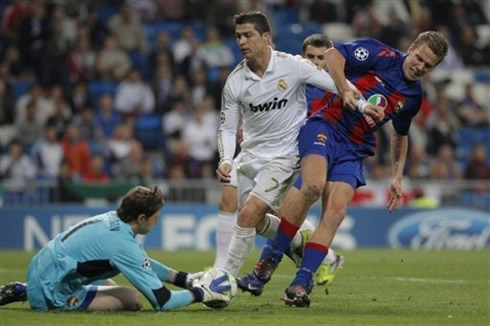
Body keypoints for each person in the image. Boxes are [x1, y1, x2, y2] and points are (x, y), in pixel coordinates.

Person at [238, 31, 449, 307]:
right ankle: (265, 266)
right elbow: (333, 55)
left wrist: (397, 175)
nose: (420, 66)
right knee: (312, 185)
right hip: (326, 124)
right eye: (419, 58)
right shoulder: (380, 54)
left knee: (337, 209)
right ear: (411, 48)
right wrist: (344, 88)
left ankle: (301, 282)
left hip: (355, 147)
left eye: (428, 65)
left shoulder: (412, 97)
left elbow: (401, 133)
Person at [216, 11, 367, 279]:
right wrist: (226, 159)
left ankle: (222, 279)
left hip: (285, 156)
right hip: (250, 156)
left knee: (248, 214)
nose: (241, 41)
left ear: (266, 37)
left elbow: (339, 86)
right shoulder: (234, 82)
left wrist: (366, 105)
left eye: (248, 35)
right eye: (238, 36)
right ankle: (306, 244)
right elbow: (227, 127)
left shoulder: (293, 66)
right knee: (259, 221)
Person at [0, 186, 229, 311]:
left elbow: (143, 263)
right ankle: (29, 293)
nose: (157, 222)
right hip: (52, 292)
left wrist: (186, 279)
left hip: (43, 268)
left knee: (110, 280)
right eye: (156, 217)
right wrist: (200, 293)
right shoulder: (122, 244)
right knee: (133, 299)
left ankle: (25, 288)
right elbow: (163, 301)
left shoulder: (114, 220)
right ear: (141, 217)